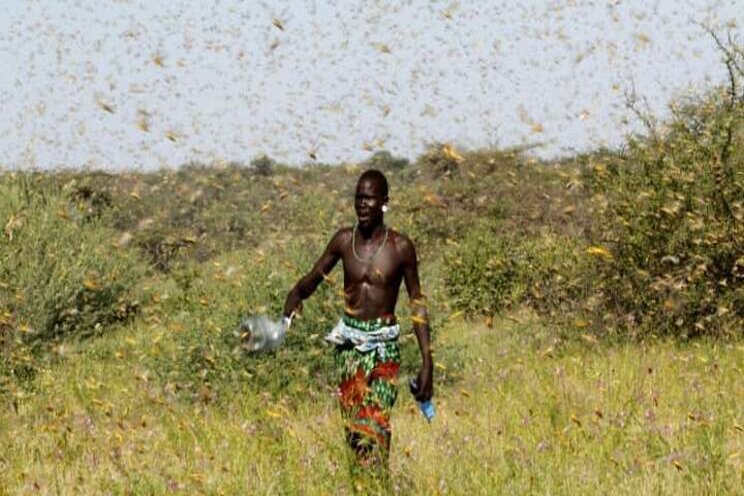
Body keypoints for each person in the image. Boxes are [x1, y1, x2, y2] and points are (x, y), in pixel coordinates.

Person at [283, 169, 433, 472]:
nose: (362, 204)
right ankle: (360, 485)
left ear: (384, 202)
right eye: (358, 197)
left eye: (369, 197)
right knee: (353, 430)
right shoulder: (343, 241)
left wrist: (427, 360)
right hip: (348, 348)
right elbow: (314, 277)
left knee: (376, 425)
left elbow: (416, 301)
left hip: (383, 348)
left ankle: (379, 485)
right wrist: (295, 294)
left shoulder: (400, 248)